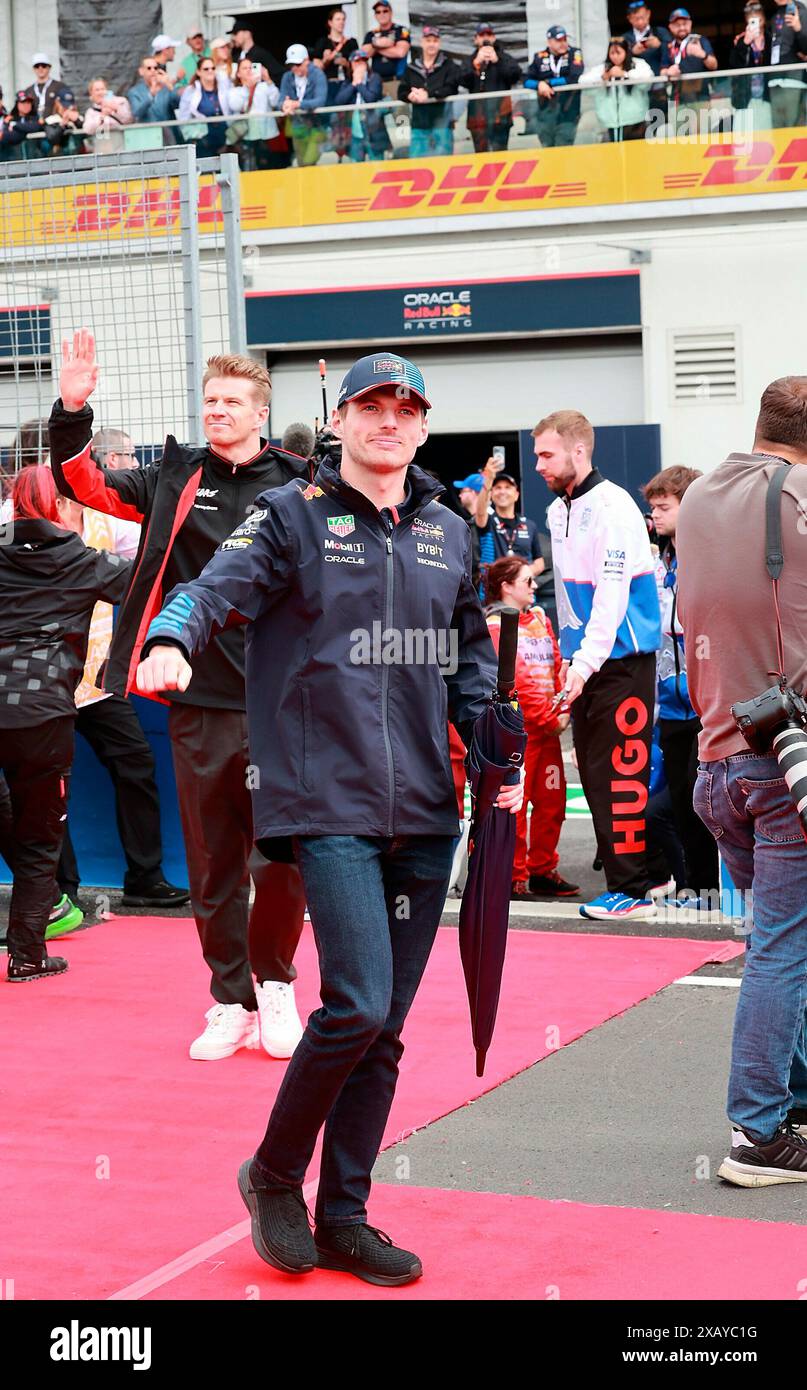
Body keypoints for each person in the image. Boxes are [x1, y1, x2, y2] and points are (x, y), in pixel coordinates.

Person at [135, 349, 522, 1285]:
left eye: (405, 410)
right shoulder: (288, 518)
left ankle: (344, 1213)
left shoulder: (446, 533)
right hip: (326, 798)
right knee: (351, 1002)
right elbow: (212, 590)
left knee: (384, 1024)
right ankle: (273, 1175)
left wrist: (494, 747)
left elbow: (466, 658)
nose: (388, 422)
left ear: (423, 427)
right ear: (340, 421)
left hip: (427, 810)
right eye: (371, 407)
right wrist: (170, 638)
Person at [51, 332, 308, 1062]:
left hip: (285, 702)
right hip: (198, 703)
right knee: (213, 861)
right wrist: (73, 409)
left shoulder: (300, 481)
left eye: (231, 402)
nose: (217, 411)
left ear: (260, 412)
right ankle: (229, 1000)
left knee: (279, 858)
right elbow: (82, 486)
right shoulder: (173, 476)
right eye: (210, 402)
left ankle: (278, 985)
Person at [676, 375, 807, 1185]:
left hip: (717, 762)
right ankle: (756, 1135)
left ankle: (789, 1105)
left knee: (783, 941)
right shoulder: (796, 496)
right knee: (780, 948)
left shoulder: (693, 499)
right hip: (786, 765)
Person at [0, 466, 131, 982]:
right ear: (65, 506)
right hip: (42, 713)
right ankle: (27, 955)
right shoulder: (83, 559)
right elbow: (148, 585)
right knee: (39, 842)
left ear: (14, 502)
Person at [533, 410, 662, 922]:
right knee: (593, 772)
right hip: (585, 662)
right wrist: (569, 662)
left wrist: (582, 666)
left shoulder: (614, 506)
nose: (538, 463)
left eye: (546, 454)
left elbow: (610, 600)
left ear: (578, 451)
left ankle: (633, 890)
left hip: (623, 661)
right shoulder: (556, 510)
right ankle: (626, 884)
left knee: (621, 774)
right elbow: (568, 600)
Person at [56, 427, 188, 914]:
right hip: (42, 686)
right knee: (49, 787)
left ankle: (145, 877)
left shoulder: (103, 521)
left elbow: (158, 548)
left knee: (136, 765)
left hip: (95, 682)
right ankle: (59, 890)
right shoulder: (14, 527)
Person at [643, 466, 719, 909]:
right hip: (669, 706)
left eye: (662, 506)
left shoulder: (708, 557)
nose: (653, 514)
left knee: (699, 802)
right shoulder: (657, 560)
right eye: (651, 506)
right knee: (672, 807)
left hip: (705, 703)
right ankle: (693, 887)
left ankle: (712, 889)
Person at [484, 556, 578, 901]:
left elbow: (557, 664)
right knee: (515, 805)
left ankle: (542, 870)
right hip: (518, 732)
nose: (535, 586)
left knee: (553, 803)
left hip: (549, 728)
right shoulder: (495, 625)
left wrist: (562, 708)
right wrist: (552, 718)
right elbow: (518, 679)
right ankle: (514, 876)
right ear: (507, 587)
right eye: (527, 581)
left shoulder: (539, 617)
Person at [459, 22, 522, 154]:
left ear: (494, 38)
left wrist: (497, 61)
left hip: (501, 118)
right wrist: (476, 64)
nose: (486, 38)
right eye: (482, 35)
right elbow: (462, 81)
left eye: (489, 34)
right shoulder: (469, 60)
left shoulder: (504, 58)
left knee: (500, 156)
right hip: (478, 119)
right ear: (476, 39)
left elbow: (515, 76)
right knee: (481, 157)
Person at [398, 25, 461, 158]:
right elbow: (401, 91)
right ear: (422, 42)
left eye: (435, 41)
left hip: (442, 124)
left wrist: (429, 94)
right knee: (418, 165)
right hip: (419, 125)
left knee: (444, 164)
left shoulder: (448, 65)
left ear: (439, 43)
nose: (431, 44)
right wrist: (410, 96)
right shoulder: (411, 67)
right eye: (428, 40)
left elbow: (452, 87)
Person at [473, 465, 545, 578]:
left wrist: (522, 574)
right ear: (491, 494)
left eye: (507, 487)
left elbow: (539, 562)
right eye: (498, 488)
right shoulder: (488, 520)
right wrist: (488, 480)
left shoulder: (529, 525)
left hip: (523, 591)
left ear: (516, 495)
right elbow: (480, 512)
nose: (502, 491)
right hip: (494, 591)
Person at [579, 36, 655, 141]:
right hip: (609, 123)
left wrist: (625, 74)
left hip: (635, 121)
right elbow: (582, 81)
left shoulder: (638, 64)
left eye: (618, 53)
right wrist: (603, 77)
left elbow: (648, 79)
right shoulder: (602, 69)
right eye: (612, 53)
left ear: (626, 52)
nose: (615, 57)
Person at [524, 25, 585, 148]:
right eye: (558, 40)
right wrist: (539, 84)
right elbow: (525, 80)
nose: (563, 43)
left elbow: (574, 77)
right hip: (545, 113)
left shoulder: (575, 53)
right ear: (549, 42)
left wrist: (548, 83)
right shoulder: (539, 57)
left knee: (563, 147)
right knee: (547, 149)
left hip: (568, 111)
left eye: (564, 40)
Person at [332, 50, 388, 163]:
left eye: (363, 61)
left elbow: (370, 98)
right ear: (351, 64)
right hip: (354, 132)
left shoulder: (374, 78)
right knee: (356, 166)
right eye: (357, 62)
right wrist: (353, 83)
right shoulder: (348, 81)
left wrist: (359, 84)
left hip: (373, 130)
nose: (360, 64)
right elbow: (339, 100)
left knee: (378, 164)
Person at [660, 8, 717, 118]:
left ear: (690, 24)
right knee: (679, 134)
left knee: (703, 133)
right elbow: (662, 71)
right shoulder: (668, 46)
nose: (682, 27)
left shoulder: (700, 40)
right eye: (677, 25)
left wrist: (702, 54)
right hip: (677, 98)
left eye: (685, 24)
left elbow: (714, 65)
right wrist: (668, 71)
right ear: (670, 27)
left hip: (701, 97)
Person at [225, 58, 280, 170]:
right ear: (238, 74)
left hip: (267, 136)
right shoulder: (234, 91)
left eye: (251, 67)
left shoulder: (264, 86)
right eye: (245, 68)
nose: (249, 70)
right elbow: (235, 106)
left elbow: (276, 101)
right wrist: (249, 89)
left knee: (270, 169)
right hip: (247, 137)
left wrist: (268, 80)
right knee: (250, 169)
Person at [279, 46, 329, 168]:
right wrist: (285, 105)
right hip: (297, 127)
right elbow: (280, 101)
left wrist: (297, 104)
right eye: (291, 65)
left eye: (298, 64)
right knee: (302, 164)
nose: (294, 68)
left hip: (317, 126)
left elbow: (320, 100)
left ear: (307, 60)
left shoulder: (318, 74)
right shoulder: (287, 77)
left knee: (309, 161)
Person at [730, 3, 773, 130]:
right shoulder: (741, 40)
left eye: (758, 19)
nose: (755, 22)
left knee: (766, 137)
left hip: (767, 98)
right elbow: (733, 64)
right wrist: (744, 43)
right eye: (751, 19)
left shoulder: (771, 38)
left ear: (763, 20)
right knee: (744, 141)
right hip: (745, 98)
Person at [178, 59, 231, 156]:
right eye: (206, 69)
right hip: (203, 139)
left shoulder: (224, 86)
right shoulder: (191, 91)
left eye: (213, 68)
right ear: (198, 72)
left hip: (225, 135)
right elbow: (183, 117)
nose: (210, 71)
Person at [767, 0, 807, 129]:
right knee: (778, 132)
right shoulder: (774, 16)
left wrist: (799, 29)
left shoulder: (800, 12)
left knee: (794, 131)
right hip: (774, 81)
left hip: (794, 79)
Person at [363, 1, 411, 101]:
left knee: (400, 115)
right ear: (375, 15)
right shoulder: (371, 34)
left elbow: (400, 52)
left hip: (396, 81)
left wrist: (375, 48)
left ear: (391, 12)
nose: (382, 14)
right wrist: (378, 44)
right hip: (376, 82)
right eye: (378, 12)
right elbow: (364, 55)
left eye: (385, 11)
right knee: (375, 114)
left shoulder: (401, 30)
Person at [313, 6, 359, 103]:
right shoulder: (323, 42)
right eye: (338, 19)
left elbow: (359, 66)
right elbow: (315, 69)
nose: (341, 22)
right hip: (327, 84)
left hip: (345, 84)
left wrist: (346, 64)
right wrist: (326, 60)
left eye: (343, 19)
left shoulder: (351, 42)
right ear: (330, 23)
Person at [127, 56, 180, 127]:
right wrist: (151, 95)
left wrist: (169, 85)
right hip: (149, 134)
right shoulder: (134, 92)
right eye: (149, 68)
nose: (153, 71)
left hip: (170, 133)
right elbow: (136, 113)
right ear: (141, 71)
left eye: (155, 68)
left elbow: (179, 104)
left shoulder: (165, 87)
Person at [228, 21, 284, 87]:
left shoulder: (260, 54)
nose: (233, 38)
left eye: (236, 33)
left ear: (247, 33)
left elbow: (279, 74)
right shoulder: (236, 56)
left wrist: (267, 80)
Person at [453, 471, 484, 590]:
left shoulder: (490, 519)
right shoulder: (471, 520)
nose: (460, 495)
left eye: (463, 491)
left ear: (474, 492)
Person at [622, 2, 671, 76]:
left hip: (659, 77)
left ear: (648, 13)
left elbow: (674, 52)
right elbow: (618, 60)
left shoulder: (661, 32)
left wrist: (660, 45)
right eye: (636, 19)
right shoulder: (625, 38)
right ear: (629, 19)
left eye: (642, 17)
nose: (640, 22)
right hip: (636, 80)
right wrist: (632, 52)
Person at [82, 80, 133, 150]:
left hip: (122, 146)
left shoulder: (121, 101)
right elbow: (87, 129)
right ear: (91, 94)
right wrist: (102, 117)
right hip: (102, 149)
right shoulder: (91, 112)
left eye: (102, 89)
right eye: (97, 90)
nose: (100, 92)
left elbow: (129, 119)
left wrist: (116, 109)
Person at [24, 54, 70, 121]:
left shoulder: (60, 86)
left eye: (43, 65)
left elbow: (68, 108)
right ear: (33, 69)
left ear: (49, 67)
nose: (40, 68)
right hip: (34, 128)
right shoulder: (28, 91)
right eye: (37, 66)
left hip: (55, 127)